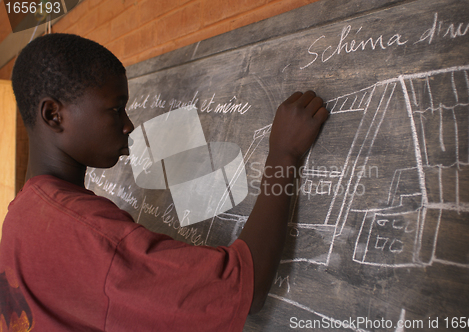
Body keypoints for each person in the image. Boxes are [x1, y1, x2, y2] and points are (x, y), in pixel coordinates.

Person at [0, 33, 328, 331]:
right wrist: (284, 156)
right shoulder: (90, 233)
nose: (128, 125)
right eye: (116, 110)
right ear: (53, 115)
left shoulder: (21, 214)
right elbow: (246, 286)